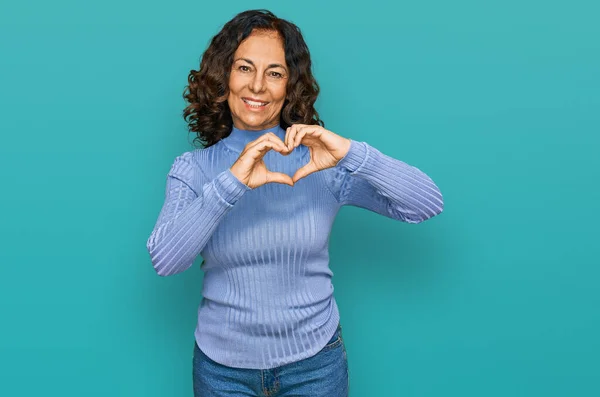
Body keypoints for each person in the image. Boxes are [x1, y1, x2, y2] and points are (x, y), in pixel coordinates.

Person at [146, 9, 443, 397]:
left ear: (290, 85)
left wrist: (353, 153)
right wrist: (232, 183)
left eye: (275, 73)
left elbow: (425, 203)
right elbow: (166, 261)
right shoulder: (193, 170)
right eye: (244, 68)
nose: (257, 86)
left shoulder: (319, 163)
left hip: (316, 366)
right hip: (223, 374)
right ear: (224, 77)